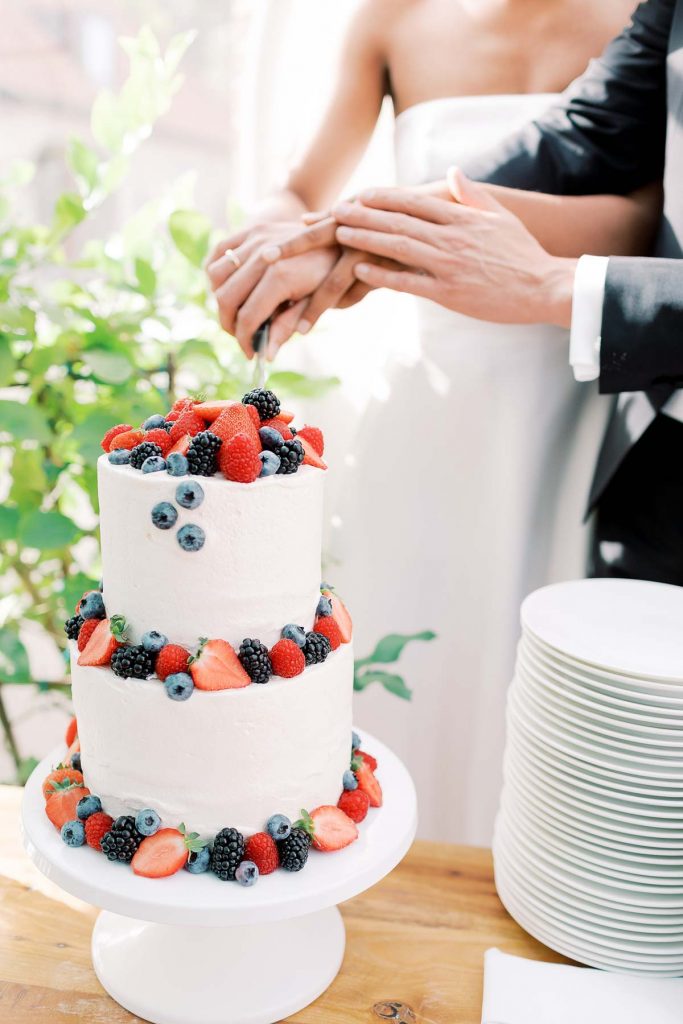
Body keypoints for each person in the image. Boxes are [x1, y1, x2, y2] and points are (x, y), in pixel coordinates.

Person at [206, 0, 659, 844]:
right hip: (425, 390)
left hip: (570, 392)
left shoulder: (639, 18)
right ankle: (352, 855)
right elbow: (302, 187)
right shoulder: (391, 16)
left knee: (532, 663)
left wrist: (365, 237)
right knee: (388, 626)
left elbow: (644, 225)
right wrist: (278, 234)